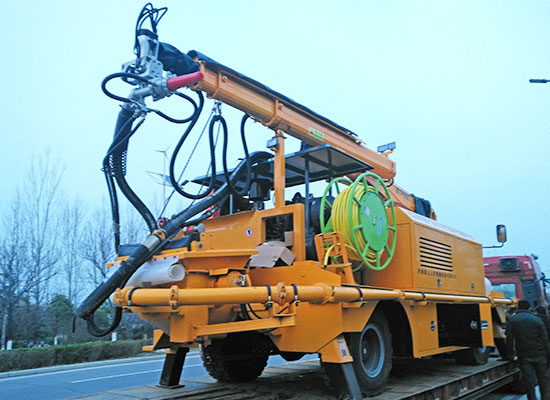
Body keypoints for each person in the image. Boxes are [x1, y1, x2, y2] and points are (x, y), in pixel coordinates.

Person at [507, 299, 550, 400]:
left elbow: (509, 340)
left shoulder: (512, 320)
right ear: (529, 308)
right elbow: (545, 339)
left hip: (524, 355)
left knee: (529, 381)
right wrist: (548, 354)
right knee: (542, 380)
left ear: (518, 308)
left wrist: (510, 355)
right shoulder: (536, 320)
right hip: (540, 354)